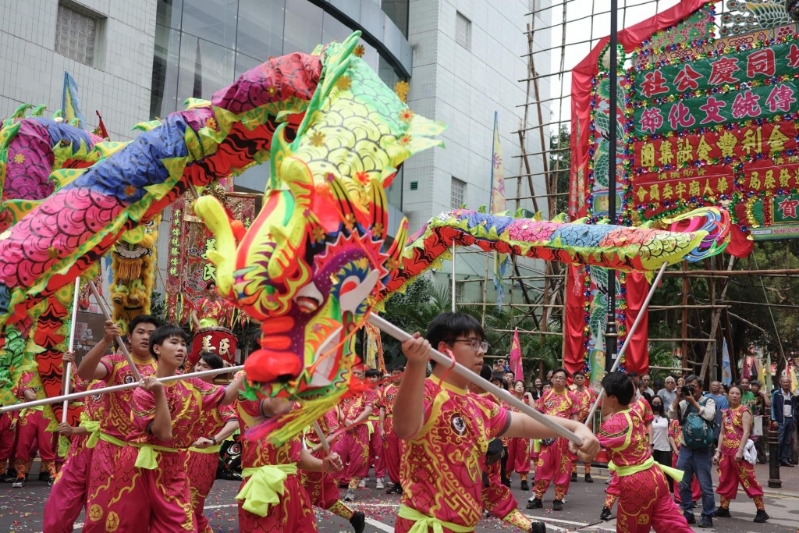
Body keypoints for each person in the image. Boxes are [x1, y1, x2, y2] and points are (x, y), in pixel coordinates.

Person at [393, 312, 598, 532]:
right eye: (472, 343)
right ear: (443, 348)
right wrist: (415, 365)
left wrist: (576, 427)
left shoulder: (479, 405)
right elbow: (405, 427)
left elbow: (524, 423)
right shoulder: (425, 392)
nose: (481, 351)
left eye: (481, 344)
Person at [130, 325, 244, 531]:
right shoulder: (143, 390)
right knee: (136, 524)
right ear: (157, 348)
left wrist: (244, 374)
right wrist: (159, 393)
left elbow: (226, 398)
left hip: (176, 464)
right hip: (142, 468)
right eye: (174, 343)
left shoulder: (192, 384)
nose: (181, 348)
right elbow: (163, 434)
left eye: (184, 344)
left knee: (182, 523)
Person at [76, 315, 160, 533]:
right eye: (140, 332)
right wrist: (105, 340)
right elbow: (84, 372)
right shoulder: (114, 362)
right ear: (129, 338)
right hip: (109, 448)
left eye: (151, 334)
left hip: (142, 453)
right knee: (99, 511)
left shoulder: (164, 371)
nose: (146, 337)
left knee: (133, 515)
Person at [597, 372, 692, 533]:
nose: (601, 396)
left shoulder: (614, 425)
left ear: (612, 398)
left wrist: (575, 441)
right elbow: (608, 415)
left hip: (635, 482)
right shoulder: (635, 411)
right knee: (674, 527)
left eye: (603, 393)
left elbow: (587, 452)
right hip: (655, 475)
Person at [237, 396, 344, 531]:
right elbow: (277, 407)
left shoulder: (296, 401)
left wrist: (323, 465)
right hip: (262, 490)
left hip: (293, 489)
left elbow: (296, 453)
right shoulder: (250, 388)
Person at [42, 352, 105, 533]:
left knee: (100, 505)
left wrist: (74, 430)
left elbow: (112, 424)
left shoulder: (126, 384)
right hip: (80, 450)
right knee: (61, 499)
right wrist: (65, 367)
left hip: (106, 450)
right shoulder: (90, 382)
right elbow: (67, 394)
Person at [472, 366, 540, 533]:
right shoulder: (491, 398)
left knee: (490, 489)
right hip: (482, 453)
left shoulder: (487, 399)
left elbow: (519, 423)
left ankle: (529, 526)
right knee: (491, 490)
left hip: (482, 454)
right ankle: (529, 526)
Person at [186, 352, 240, 533]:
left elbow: (233, 422)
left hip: (201, 459)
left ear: (215, 373)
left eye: (205, 366)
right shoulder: (184, 388)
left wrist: (213, 440)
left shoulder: (218, 396)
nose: (199, 368)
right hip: (177, 454)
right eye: (199, 364)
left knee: (192, 505)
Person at [301, 407, 366, 533]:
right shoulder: (305, 404)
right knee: (323, 493)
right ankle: (354, 517)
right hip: (306, 451)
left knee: (302, 493)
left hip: (315, 455)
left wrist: (312, 450)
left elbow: (335, 435)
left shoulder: (326, 408)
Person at [712, 385, 768, 523]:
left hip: (739, 452)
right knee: (725, 479)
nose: (734, 395)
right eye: (732, 393)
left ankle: (761, 510)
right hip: (726, 452)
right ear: (728, 395)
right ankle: (724, 508)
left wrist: (740, 451)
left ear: (741, 396)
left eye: (737, 393)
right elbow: (722, 433)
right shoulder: (725, 412)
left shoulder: (744, 411)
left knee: (748, 479)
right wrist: (718, 452)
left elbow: (747, 432)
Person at [528, 368, 580, 511]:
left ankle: (558, 498)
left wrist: (574, 437)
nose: (558, 380)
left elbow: (576, 419)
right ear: (551, 379)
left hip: (563, 439)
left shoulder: (572, 396)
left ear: (566, 380)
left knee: (563, 469)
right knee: (542, 468)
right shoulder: (546, 394)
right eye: (556, 377)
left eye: (561, 377)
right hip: (547, 438)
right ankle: (538, 497)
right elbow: (538, 413)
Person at [668, 374, 716, 528]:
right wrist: (678, 397)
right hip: (686, 449)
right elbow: (671, 414)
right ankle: (687, 512)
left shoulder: (708, 401)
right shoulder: (683, 403)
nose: (691, 390)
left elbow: (710, 416)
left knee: (705, 485)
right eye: (689, 387)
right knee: (683, 483)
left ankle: (707, 515)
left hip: (703, 450)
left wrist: (694, 402)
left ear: (701, 388)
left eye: (694, 387)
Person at [333, 365, 375, 501]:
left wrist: (355, 422)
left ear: (364, 376)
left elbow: (368, 409)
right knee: (337, 455)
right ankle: (333, 490)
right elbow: (337, 407)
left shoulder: (368, 391)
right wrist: (345, 421)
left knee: (358, 459)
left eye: (358, 373)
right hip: (342, 429)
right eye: (353, 373)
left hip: (360, 429)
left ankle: (351, 490)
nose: (355, 376)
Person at [10, 368, 57, 487]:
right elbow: (30, 396)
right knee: (23, 445)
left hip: (46, 414)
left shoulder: (50, 375)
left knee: (46, 445)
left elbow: (56, 393)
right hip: (29, 414)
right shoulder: (25, 375)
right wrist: (45, 394)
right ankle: (21, 475)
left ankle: (52, 474)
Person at [570, 370, 597, 483]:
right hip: (574, 423)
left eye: (581, 378)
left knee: (587, 446)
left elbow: (592, 406)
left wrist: (588, 414)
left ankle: (587, 473)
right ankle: (574, 472)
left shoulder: (590, 392)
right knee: (573, 446)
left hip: (587, 423)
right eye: (577, 378)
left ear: (584, 379)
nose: (580, 379)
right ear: (574, 380)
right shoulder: (571, 392)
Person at [381, 365, 404, 495]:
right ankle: (397, 483)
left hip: (405, 422)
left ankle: (406, 482)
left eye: (398, 373)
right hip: (389, 424)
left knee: (404, 454)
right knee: (392, 455)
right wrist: (381, 428)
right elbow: (382, 409)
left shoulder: (408, 387)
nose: (396, 376)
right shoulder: (387, 390)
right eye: (394, 373)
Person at [505, 380, 532, 491]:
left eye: (522, 386)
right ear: (514, 387)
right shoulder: (508, 399)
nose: (520, 387)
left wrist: (530, 395)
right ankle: (506, 477)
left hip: (523, 431)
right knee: (509, 454)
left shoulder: (526, 401)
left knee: (523, 454)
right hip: (510, 430)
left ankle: (524, 479)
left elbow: (533, 410)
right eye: (518, 385)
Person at [364, 368, 386, 489]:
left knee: (379, 450)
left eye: (374, 377)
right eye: (369, 377)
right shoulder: (362, 392)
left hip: (377, 422)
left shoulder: (383, 391)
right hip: (365, 423)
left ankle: (379, 477)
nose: (372, 379)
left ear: (378, 378)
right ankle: (362, 476)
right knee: (364, 450)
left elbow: (385, 409)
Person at [771, 375, 797, 467]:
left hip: (790, 420)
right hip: (780, 420)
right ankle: (776, 460)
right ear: (781, 383)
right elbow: (773, 407)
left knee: (787, 441)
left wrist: (794, 420)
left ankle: (784, 459)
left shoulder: (792, 395)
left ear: (790, 383)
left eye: (787, 382)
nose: (786, 383)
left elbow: (794, 409)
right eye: (784, 382)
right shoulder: (776, 394)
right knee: (779, 440)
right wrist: (774, 419)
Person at [649, 396, 672, 490]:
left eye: (658, 403)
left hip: (665, 449)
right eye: (654, 402)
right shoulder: (647, 418)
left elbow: (670, 434)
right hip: (652, 450)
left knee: (664, 475)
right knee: (652, 475)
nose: (656, 404)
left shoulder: (666, 417)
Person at [749, 380, 770, 463]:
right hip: (749, 418)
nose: (754, 387)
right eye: (753, 385)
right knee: (751, 438)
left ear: (759, 387)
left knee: (760, 439)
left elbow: (768, 404)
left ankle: (762, 457)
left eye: (756, 386)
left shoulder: (761, 396)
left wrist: (764, 395)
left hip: (758, 419)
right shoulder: (749, 395)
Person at [705, 381, 729, 450]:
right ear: (710, 387)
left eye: (716, 385)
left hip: (718, 421)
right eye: (713, 385)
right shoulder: (706, 396)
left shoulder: (723, 398)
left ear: (719, 387)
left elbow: (724, 411)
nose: (714, 386)